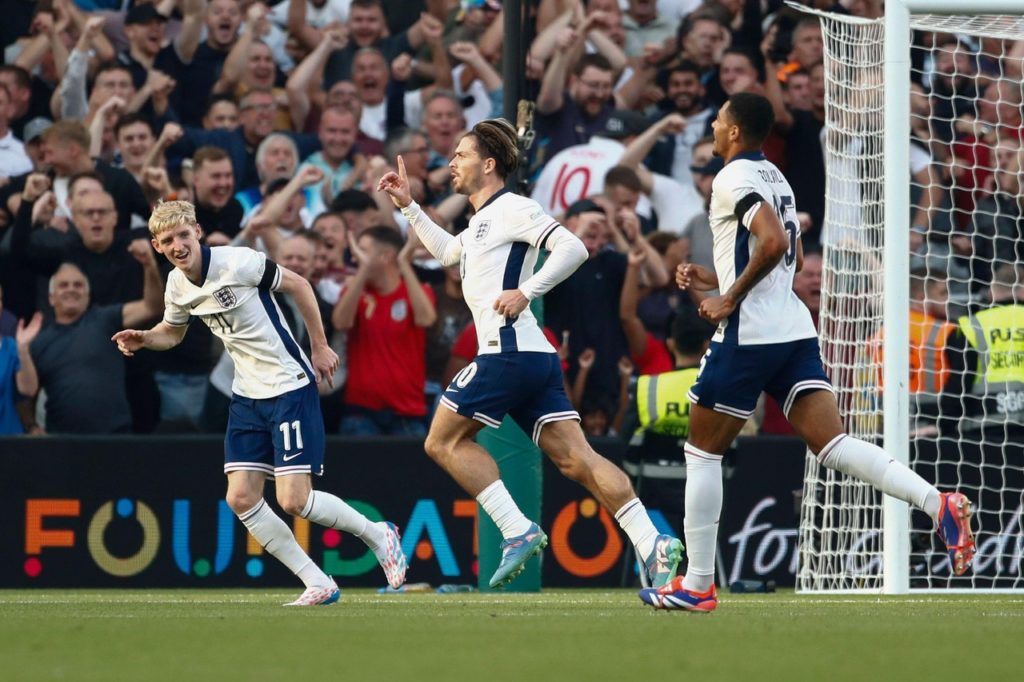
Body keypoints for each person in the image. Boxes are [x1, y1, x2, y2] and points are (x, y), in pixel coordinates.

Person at [638, 93, 976, 613]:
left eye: (719, 117)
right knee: (834, 444)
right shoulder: (776, 176)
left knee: (702, 452)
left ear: (733, 132)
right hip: (793, 329)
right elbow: (782, 256)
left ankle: (698, 584)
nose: (712, 122)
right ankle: (938, 503)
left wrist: (728, 296)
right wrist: (716, 277)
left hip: (747, 334)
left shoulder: (733, 177)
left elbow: (773, 244)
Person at [378, 118, 684, 590]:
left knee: (442, 441)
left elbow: (573, 247)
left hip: (508, 353)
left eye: (461, 155)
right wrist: (411, 208)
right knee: (576, 460)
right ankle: (653, 542)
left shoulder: (514, 208)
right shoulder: (481, 219)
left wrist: (526, 291)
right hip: (532, 358)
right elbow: (448, 254)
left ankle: (517, 529)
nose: (452, 163)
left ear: (489, 163)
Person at [111, 200, 407, 606]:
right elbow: (172, 332)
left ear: (197, 232)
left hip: (289, 385)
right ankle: (317, 581)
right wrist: (145, 338)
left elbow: (300, 285)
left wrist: (319, 348)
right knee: (241, 497)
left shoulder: (239, 262)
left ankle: (379, 534)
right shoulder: (178, 286)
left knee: (293, 500)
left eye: (183, 235)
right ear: (157, 247)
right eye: (168, 240)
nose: (178, 245)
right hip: (247, 394)